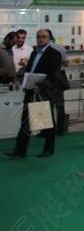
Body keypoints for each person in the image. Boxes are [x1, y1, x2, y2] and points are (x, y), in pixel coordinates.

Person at [5, 30, 64, 158]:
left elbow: (55, 75)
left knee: (46, 122)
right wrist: (26, 82)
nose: (40, 39)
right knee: (25, 122)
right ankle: (20, 150)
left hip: (43, 92)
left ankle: (49, 149)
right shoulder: (34, 52)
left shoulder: (54, 54)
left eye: (44, 37)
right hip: (31, 90)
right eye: (38, 37)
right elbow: (30, 70)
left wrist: (41, 85)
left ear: (50, 38)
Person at [45, 29, 69, 135]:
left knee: (47, 104)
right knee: (60, 105)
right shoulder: (60, 47)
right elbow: (66, 63)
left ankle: (50, 129)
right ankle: (61, 129)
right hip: (59, 78)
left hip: (47, 79)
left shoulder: (41, 49)